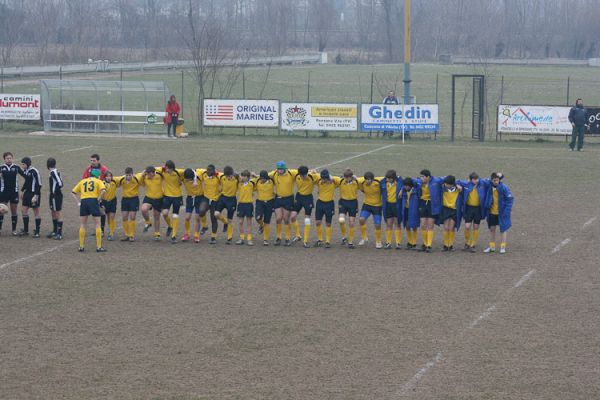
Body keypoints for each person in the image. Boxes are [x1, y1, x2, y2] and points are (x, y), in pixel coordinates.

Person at [71, 169, 106, 252]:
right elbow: (103, 191)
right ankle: (98, 247)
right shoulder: (98, 181)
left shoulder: (83, 181)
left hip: (84, 201)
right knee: (97, 224)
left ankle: (81, 246)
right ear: (97, 175)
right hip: (93, 201)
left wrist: (78, 202)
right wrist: (98, 199)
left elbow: (73, 192)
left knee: (83, 224)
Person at [269, 161, 299, 246]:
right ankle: (278, 238)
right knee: (278, 218)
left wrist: (311, 172)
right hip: (278, 198)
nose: (279, 171)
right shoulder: (274, 173)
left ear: (285, 168)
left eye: (281, 169)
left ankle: (287, 238)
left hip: (288, 199)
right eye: (278, 169)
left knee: (286, 219)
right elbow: (264, 176)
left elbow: (301, 172)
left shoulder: (291, 173)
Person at [457, 172, 489, 252]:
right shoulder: (467, 184)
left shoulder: (482, 183)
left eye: (477, 179)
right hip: (469, 208)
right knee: (467, 226)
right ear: (471, 180)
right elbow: (455, 181)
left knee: (476, 226)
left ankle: (472, 244)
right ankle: (467, 243)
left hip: (478, 209)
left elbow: (492, 180)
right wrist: (458, 185)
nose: (476, 181)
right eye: (474, 179)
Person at [483, 172, 514, 254]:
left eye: (497, 180)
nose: (495, 182)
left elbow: (510, 200)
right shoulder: (489, 185)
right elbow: (482, 180)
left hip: (502, 213)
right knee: (492, 229)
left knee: (503, 230)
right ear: (491, 180)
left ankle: (503, 247)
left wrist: (506, 212)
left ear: (499, 180)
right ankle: (492, 247)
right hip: (492, 212)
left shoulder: (504, 187)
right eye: (494, 180)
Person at [416, 169, 444, 253]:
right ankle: (424, 244)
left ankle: (429, 245)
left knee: (430, 225)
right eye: (420, 176)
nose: (421, 178)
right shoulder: (419, 182)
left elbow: (448, 179)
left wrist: (456, 185)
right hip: (423, 203)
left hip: (432, 204)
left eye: (423, 176)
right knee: (423, 224)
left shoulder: (436, 181)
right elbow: (409, 182)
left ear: (428, 177)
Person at [156, 160, 184, 243]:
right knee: (164, 213)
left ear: (172, 168)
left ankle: (174, 236)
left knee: (175, 216)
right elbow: (153, 169)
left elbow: (189, 173)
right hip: (167, 196)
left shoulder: (179, 172)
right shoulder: (163, 170)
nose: (166, 170)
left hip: (177, 197)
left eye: (168, 168)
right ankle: (170, 226)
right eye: (166, 168)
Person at [291, 165, 319, 247]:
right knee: (292, 217)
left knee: (307, 219)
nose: (302, 177)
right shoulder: (296, 174)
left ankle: (305, 240)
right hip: (299, 197)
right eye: (301, 175)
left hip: (308, 198)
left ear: (307, 173)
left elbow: (326, 177)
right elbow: (284, 171)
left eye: (304, 175)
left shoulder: (313, 176)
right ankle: (298, 235)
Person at [357, 171, 384, 248]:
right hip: (367, 205)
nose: (367, 181)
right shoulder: (362, 183)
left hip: (377, 206)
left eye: (369, 179)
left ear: (372, 179)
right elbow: (356, 179)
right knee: (361, 219)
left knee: (377, 224)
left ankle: (378, 241)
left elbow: (385, 178)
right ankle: (364, 238)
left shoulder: (378, 183)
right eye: (366, 179)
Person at [0, 152, 25, 235]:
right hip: (4, 192)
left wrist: (23, 189)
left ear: (12, 159)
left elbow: (25, 176)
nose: (9, 159)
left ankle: (14, 230)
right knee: (1, 210)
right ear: (4, 159)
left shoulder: (16, 167)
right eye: (7, 158)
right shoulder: (1, 168)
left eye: (10, 158)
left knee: (14, 211)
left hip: (14, 192)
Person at [115, 167, 143, 242]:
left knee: (132, 216)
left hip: (134, 199)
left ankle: (132, 235)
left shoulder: (137, 178)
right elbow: (113, 180)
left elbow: (144, 172)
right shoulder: (122, 179)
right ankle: (126, 235)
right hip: (125, 200)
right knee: (124, 217)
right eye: (127, 175)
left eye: (129, 175)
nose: (128, 177)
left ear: (133, 174)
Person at [18, 157, 42, 238]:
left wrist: (36, 195)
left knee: (36, 212)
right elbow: (27, 181)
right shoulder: (26, 171)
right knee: (24, 210)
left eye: (23, 164)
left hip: (34, 193)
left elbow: (39, 184)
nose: (22, 165)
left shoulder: (35, 171)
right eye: (22, 164)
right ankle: (26, 230)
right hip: (27, 193)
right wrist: (22, 191)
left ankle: (37, 232)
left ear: (27, 164)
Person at [216, 166, 239, 244]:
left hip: (232, 200)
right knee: (216, 214)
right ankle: (224, 222)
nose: (228, 177)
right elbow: (215, 173)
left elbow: (245, 178)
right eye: (227, 176)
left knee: (230, 220)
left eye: (229, 176)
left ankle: (229, 238)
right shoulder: (222, 176)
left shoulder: (237, 178)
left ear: (232, 174)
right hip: (223, 198)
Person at [182, 167, 205, 243]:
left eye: (190, 180)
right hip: (190, 198)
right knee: (187, 217)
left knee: (197, 218)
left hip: (199, 198)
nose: (189, 181)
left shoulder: (199, 174)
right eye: (187, 180)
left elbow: (207, 171)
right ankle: (186, 234)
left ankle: (196, 235)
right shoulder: (183, 176)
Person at [140, 166, 164, 240]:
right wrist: (142, 176)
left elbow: (164, 168)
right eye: (148, 174)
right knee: (143, 209)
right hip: (149, 197)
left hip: (158, 198)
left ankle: (157, 234)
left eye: (150, 174)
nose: (149, 176)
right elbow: (142, 184)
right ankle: (148, 222)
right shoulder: (145, 177)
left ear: (154, 173)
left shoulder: (159, 175)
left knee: (156, 216)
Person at [338, 169, 359, 248]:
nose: (346, 179)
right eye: (345, 177)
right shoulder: (340, 181)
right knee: (341, 220)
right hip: (343, 202)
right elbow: (331, 178)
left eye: (348, 177)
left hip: (353, 203)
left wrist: (356, 178)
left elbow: (366, 179)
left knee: (351, 223)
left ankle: (350, 241)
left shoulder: (356, 182)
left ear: (351, 177)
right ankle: (344, 237)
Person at [381, 169, 403, 249]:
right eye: (387, 178)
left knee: (397, 223)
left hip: (397, 205)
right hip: (388, 205)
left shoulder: (400, 182)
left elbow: (406, 182)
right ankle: (388, 242)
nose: (387, 179)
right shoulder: (383, 182)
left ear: (393, 178)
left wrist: (402, 189)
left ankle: (398, 243)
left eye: (389, 178)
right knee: (389, 223)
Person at [440, 175, 462, 251]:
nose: (446, 185)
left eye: (448, 184)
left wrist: (457, 185)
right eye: (445, 183)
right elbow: (440, 179)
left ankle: (450, 245)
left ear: (452, 184)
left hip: (454, 210)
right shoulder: (443, 188)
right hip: (446, 209)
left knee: (451, 228)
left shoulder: (458, 189)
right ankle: (446, 245)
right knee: (446, 227)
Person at [202, 164, 222, 245]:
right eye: (207, 170)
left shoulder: (218, 176)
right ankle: (205, 226)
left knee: (213, 218)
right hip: (206, 198)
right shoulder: (204, 175)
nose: (208, 172)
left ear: (214, 171)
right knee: (201, 211)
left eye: (210, 170)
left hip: (215, 200)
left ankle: (213, 237)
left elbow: (225, 177)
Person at [255, 170, 275, 246]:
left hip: (270, 202)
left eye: (263, 178)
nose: (261, 180)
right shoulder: (257, 181)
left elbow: (275, 173)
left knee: (267, 221)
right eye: (261, 178)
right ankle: (261, 225)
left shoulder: (272, 181)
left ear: (266, 178)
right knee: (257, 218)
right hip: (260, 202)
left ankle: (265, 239)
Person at [236, 170, 255, 246]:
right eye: (242, 176)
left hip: (249, 205)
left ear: (247, 177)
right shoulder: (239, 184)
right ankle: (241, 238)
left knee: (249, 222)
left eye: (244, 176)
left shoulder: (251, 184)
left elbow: (258, 178)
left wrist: (253, 175)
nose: (242, 177)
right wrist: (239, 176)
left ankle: (249, 239)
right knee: (240, 222)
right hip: (241, 205)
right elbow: (236, 174)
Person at [47, 157, 64, 240]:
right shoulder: (54, 171)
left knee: (58, 212)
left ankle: (59, 233)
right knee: (53, 212)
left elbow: (60, 183)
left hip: (56, 195)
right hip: (53, 195)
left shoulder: (54, 172)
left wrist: (54, 191)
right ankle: (55, 230)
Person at [400, 177, 419, 249]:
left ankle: (414, 242)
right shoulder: (404, 191)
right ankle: (410, 242)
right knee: (407, 226)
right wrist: (402, 189)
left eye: (407, 185)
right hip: (406, 209)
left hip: (413, 210)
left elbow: (416, 180)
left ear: (410, 185)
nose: (405, 187)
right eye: (404, 185)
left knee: (414, 226)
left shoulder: (415, 190)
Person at [101, 171, 118, 241]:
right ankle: (102, 230)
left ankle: (111, 233)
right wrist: (101, 203)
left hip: (113, 201)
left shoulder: (114, 182)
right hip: (104, 201)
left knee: (111, 217)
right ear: (104, 177)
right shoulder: (102, 183)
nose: (109, 178)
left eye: (110, 176)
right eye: (107, 176)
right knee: (104, 216)